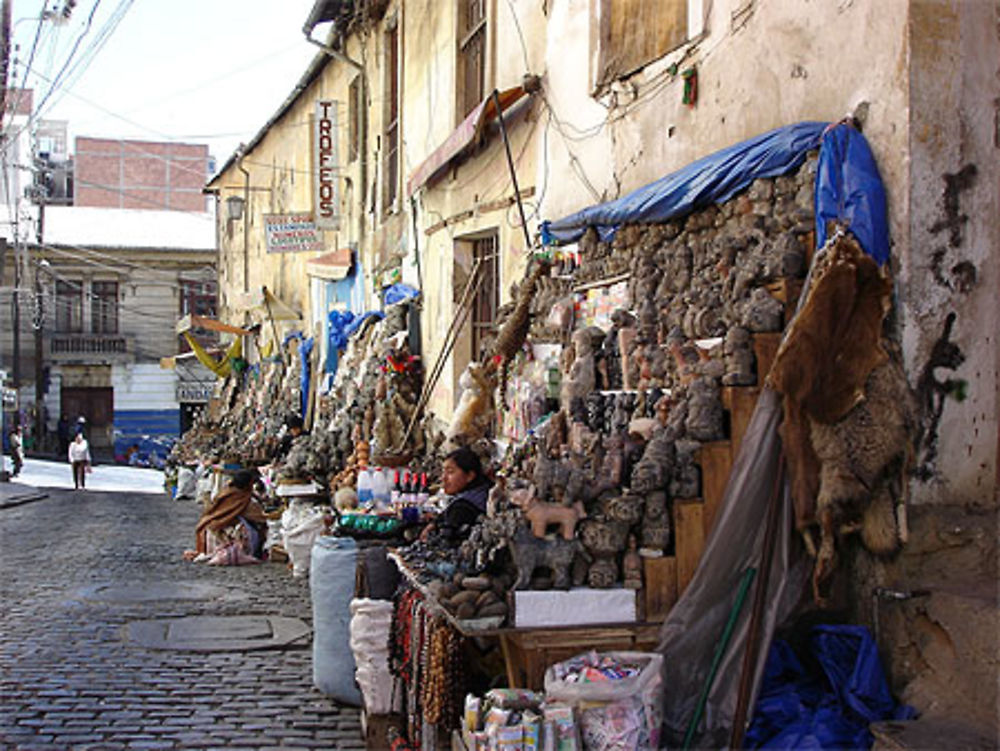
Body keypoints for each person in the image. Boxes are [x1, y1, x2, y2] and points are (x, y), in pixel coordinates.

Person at [184, 469, 268, 562]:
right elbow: (258, 517)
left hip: (211, 528)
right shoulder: (243, 498)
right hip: (228, 530)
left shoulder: (226, 492)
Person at [422, 447, 493, 543]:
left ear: (469, 476)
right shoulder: (482, 490)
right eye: (443, 472)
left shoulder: (462, 508)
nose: (443, 478)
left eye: (450, 472)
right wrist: (434, 523)